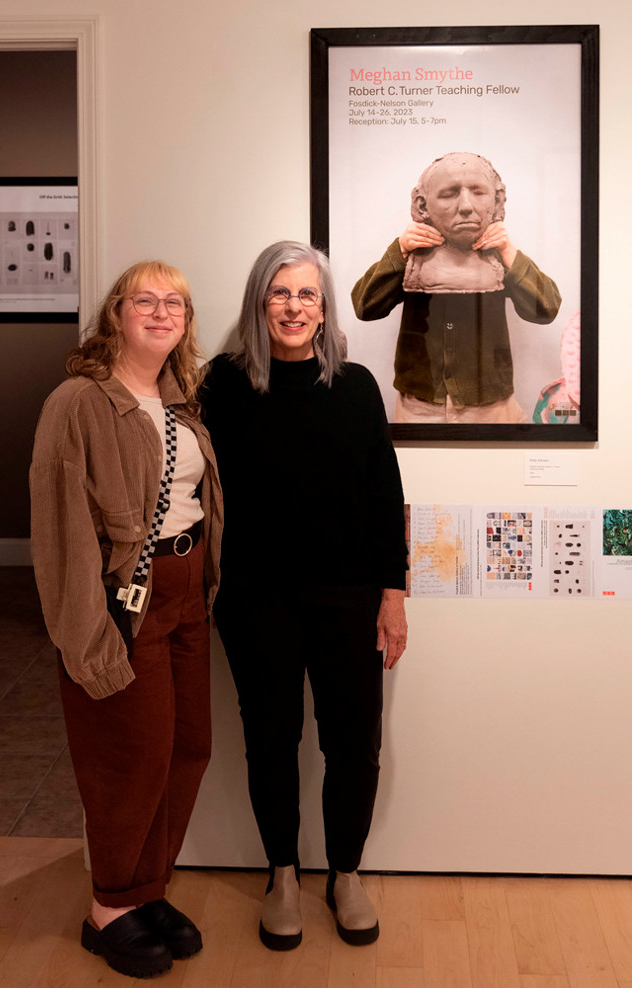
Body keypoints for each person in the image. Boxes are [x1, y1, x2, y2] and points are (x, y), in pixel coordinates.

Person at [201, 241, 408, 950]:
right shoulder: (220, 385)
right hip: (255, 596)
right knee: (271, 738)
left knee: (354, 741)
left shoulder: (353, 387)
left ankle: (345, 872)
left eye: (307, 295)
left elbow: (385, 496)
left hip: (347, 594)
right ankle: (282, 874)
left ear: (324, 308)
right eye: (280, 293)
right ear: (260, 303)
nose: (293, 307)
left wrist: (394, 592)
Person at [29, 261, 223, 979]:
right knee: (128, 756)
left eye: (176, 300)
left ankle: (146, 891)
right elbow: (61, 531)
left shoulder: (179, 401)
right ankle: (108, 906)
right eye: (146, 298)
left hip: (187, 598)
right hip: (120, 605)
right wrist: (87, 638)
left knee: (185, 750)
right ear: (116, 313)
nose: (162, 310)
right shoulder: (78, 402)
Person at [352, 151, 562, 424]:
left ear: (497, 200)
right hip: (420, 406)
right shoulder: (413, 255)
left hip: (491, 406)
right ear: (422, 205)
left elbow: (546, 309)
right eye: (449, 193)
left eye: (478, 192)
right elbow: (365, 306)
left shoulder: (498, 254)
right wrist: (400, 251)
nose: (466, 206)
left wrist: (510, 254)